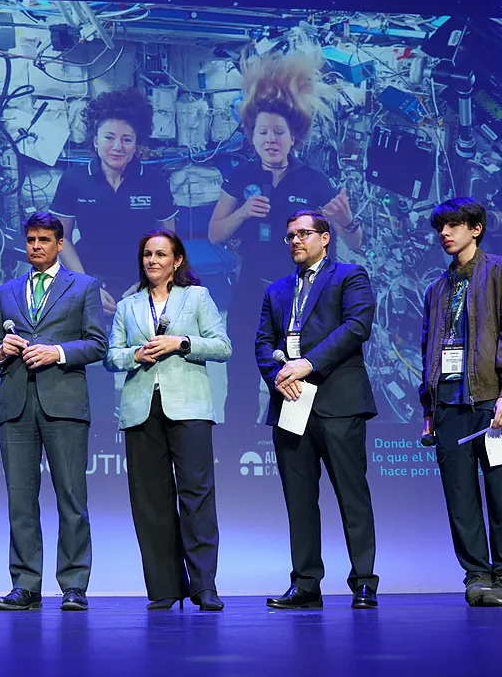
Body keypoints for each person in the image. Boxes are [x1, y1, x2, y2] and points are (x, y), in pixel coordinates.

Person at [209, 53, 362, 429]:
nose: (270, 139)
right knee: (241, 378)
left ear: (294, 137)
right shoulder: (241, 175)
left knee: (293, 381)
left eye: (279, 132)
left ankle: (286, 453)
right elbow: (215, 233)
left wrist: (345, 220)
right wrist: (243, 212)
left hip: (301, 299)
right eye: (263, 132)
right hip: (251, 294)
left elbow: (355, 243)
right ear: (252, 135)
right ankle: (237, 450)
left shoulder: (315, 181)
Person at [256, 210, 379, 610]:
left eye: (304, 233)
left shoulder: (349, 275)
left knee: (351, 496)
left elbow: (356, 326)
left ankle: (363, 581)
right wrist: (279, 375)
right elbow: (262, 343)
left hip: (337, 403)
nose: (295, 240)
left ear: (325, 238)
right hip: (291, 403)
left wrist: (308, 364)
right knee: (300, 500)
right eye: (289, 235)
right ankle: (306, 582)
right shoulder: (276, 290)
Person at [0, 212, 108, 611]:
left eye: (44, 240)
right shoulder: (6, 291)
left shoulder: (84, 286)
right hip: (17, 405)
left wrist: (56, 352)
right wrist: (0, 351)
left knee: (71, 498)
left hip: (65, 404)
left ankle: (74, 585)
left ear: (59, 244)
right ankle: (26, 584)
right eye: (31, 240)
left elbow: (97, 344)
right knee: (20, 500)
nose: (36, 246)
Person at [106, 229, 232, 611]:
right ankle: (163, 588)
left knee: (196, 495)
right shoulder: (128, 305)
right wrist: (134, 355)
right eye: (147, 254)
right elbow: (111, 355)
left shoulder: (196, 297)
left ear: (177, 261)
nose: (152, 261)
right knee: (150, 501)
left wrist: (182, 343)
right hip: (140, 408)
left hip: (189, 407)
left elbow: (223, 346)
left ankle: (204, 586)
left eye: (161, 254)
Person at [419, 197, 502, 607]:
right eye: (441, 228)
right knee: (460, 498)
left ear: (476, 228)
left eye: (453, 225)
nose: (444, 234)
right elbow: (428, 348)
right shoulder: (436, 288)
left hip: (489, 401)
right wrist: (428, 409)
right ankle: (477, 574)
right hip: (447, 406)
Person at [52, 88, 177, 425]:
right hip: (90, 285)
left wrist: (145, 283)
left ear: (138, 144)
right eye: (109, 137)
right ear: (94, 139)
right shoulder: (74, 180)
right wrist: (86, 284)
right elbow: (60, 239)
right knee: (94, 372)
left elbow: (168, 239)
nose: (117, 146)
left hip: (143, 286)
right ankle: (101, 442)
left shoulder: (154, 181)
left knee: (148, 368)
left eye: (127, 139)